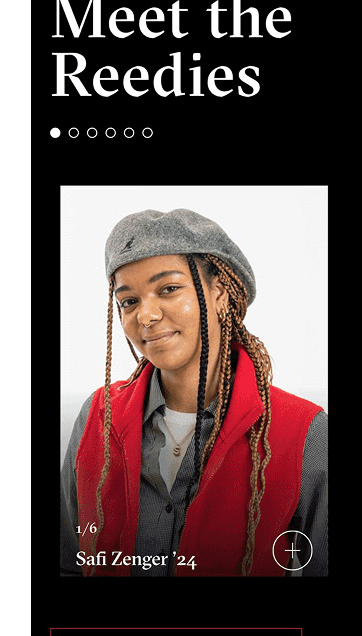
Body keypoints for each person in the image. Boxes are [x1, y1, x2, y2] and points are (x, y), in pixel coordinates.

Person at [60, 208, 328, 577]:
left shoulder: (304, 432)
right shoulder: (97, 416)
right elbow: (69, 563)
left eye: (168, 289)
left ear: (219, 293)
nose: (146, 315)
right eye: (129, 301)